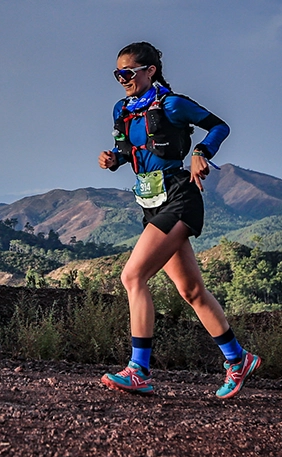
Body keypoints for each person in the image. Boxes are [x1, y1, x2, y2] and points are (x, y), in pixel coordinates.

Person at [98, 41, 261, 399]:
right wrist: (114, 160)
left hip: (178, 197)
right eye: (117, 74)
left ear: (149, 71)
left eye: (128, 72)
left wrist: (202, 152)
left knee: (132, 276)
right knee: (191, 291)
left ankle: (138, 370)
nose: (122, 79)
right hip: (150, 203)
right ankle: (238, 359)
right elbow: (131, 151)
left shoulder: (172, 104)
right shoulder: (121, 110)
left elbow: (219, 126)